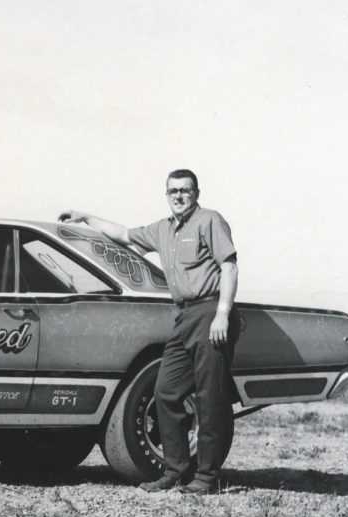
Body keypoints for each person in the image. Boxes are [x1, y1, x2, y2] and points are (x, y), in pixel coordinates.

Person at [58, 169, 239, 494]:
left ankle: (207, 478)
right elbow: (125, 234)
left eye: (185, 190)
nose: (179, 196)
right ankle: (174, 471)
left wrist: (222, 314)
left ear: (196, 193)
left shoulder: (210, 220)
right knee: (166, 391)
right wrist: (86, 217)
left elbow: (229, 266)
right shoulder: (162, 230)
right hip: (183, 316)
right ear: (167, 194)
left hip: (210, 310)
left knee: (209, 397)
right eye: (173, 191)